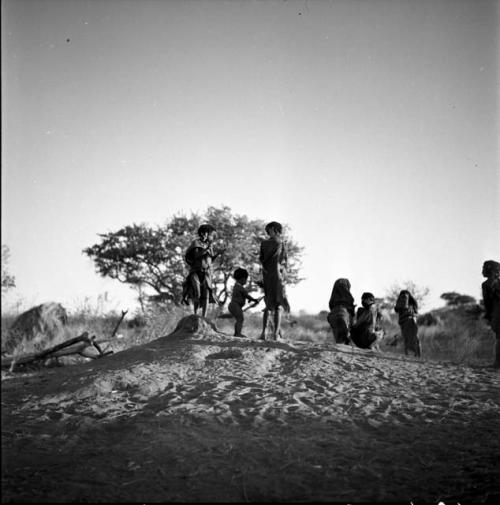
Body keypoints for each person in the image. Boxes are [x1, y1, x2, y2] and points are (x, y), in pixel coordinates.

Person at [182, 224, 223, 317]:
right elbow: (197, 255)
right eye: (210, 234)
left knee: (206, 295)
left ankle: (204, 317)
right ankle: (196, 315)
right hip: (196, 272)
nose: (211, 237)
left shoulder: (209, 245)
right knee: (198, 294)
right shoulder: (196, 243)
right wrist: (206, 249)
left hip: (206, 273)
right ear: (203, 233)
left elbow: (210, 259)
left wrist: (218, 254)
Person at [259, 221, 290, 341]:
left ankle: (264, 333)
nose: (267, 232)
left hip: (267, 274)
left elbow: (261, 259)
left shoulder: (264, 243)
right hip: (277, 275)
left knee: (268, 304)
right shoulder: (281, 243)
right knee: (277, 305)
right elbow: (284, 262)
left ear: (274, 229)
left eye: (269, 230)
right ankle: (276, 334)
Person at [227, 268, 262, 338]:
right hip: (235, 305)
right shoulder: (239, 287)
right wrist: (254, 300)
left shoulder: (237, 286)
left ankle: (237, 333)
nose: (246, 281)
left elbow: (244, 296)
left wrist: (250, 300)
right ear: (242, 279)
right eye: (246, 279)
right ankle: (237, 333)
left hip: (234, 305)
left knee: (239, 319)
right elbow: (247, 295)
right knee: (240, 319)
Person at [481, 259, 500, 368]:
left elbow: (487, 303)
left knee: (499, 338)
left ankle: (497, 363)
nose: (482, 271)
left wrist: (488, 315)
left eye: (484, 268)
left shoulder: (486, 284)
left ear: (490, 270)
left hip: (497, 312)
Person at [327, 278, 355, 345]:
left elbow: (330, 306)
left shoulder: (332, 299)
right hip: (344, 315)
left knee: (339, 339)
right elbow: (351, 311)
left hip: (333, 315)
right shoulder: (349, 298)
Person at [394, 289, 421, 357]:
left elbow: (396, 309)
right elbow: (397, 309)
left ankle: (411, 354)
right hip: (410, 321)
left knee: (408, 338)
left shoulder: (409, 303)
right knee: (413, 338)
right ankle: (416, 354)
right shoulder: (412, 303)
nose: (404, 297)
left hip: (406, 322)